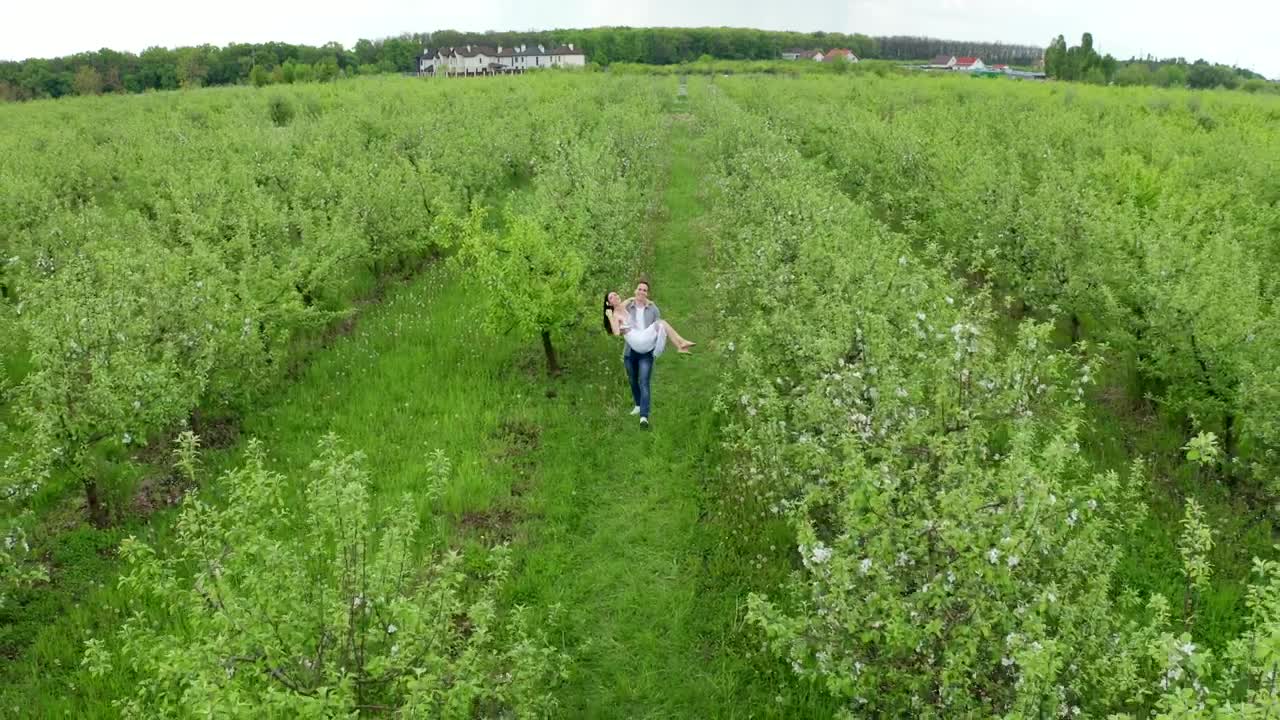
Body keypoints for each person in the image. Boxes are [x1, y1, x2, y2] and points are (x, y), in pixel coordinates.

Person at [602, 281, 694, 428]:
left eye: (616, 294)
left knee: (644, 381)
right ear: (608, 302)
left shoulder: (633, 304)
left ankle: (643, 417)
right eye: (612, 297)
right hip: (632, 347)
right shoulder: (616, 312)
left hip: (644, 343)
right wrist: (609, 315)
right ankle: (638, 405)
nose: (616, 296)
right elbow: (616, 332)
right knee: (633, 379)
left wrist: (647, 301)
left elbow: (635, 299)